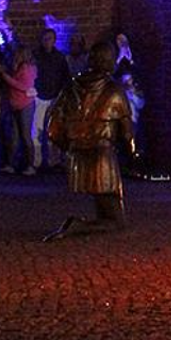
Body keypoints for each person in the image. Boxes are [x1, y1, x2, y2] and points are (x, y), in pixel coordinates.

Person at [44, 42, 134, 240]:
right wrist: (131, 151)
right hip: (103, 155)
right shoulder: (114, 90)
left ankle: (84, 225)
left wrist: (69, 147)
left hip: (78, 154)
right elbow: (127, 132)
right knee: (116, 219)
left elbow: (53, 128)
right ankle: (77, 226)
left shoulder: (70, 88)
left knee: (107, 208)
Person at [33, 28, 71, 171]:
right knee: (36, 130)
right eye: (45, 38)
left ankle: (53, 161)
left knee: (53, 130)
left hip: (55, 97)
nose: (47, 41)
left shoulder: (59, 57)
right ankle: (36, 161)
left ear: (54, 40)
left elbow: (65, 77)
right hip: (39, 96)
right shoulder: (36, 55)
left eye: (50, 38)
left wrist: (61, 96)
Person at [0, 45, 37, 175]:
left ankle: (30, 165)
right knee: (14, 136)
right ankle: (11, 164)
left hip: (25, 104)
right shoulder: (18, 67)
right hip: (15, 104)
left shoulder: (27, 69)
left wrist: (5, 76)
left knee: (25, 135)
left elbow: (23, 86)